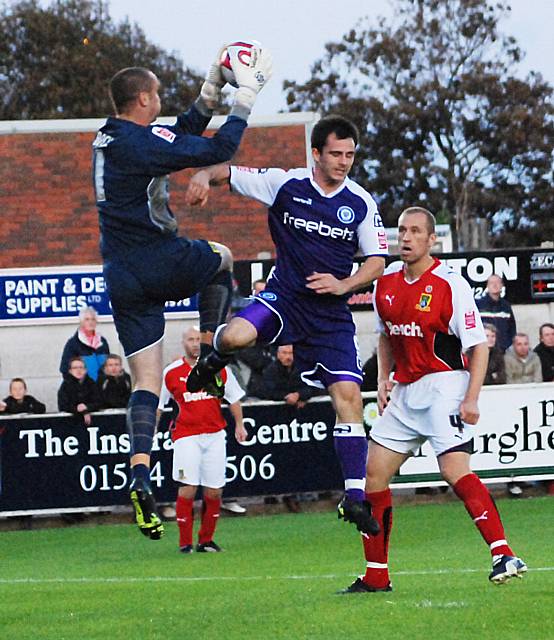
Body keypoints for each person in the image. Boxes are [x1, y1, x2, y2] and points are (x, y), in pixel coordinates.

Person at [92, 45, 272, 539]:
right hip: (153, 257)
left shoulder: (111, 137)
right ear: (146, 99)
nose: (160, 101)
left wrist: (210, 92)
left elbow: (179, 135)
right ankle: (212, 361)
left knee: (145, 382)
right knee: (222, 258)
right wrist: (246, 96)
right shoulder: (138, 144)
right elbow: (216, 150)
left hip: (121, 274)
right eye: (158, 95)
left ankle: (139, 473)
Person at [185, 115, 389, 535]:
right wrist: (204, 174)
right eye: (336, 153)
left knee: (348, 397)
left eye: (350, 154)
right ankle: (211, 359)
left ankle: (353, 498)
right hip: (285, 298)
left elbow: (377, 262)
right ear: (316, 153)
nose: (344, 162)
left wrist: (345, 283)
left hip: (330, 314)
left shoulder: (361, 202)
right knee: (238, 335)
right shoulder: (286, 184)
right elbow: (230, 173)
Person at [340, 207, 526, 594]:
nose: (405, 238)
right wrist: (383, 381)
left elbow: (478, 347)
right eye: (401, 231)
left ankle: (503, 553)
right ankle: (376, 575)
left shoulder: (449, 283)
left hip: (445, 385)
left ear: (431, 240)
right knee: (372, 474)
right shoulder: (385, 281)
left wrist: (471, 399)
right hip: (407, 391)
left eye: (415, 232)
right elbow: (386, 336)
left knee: (454, 470)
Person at [158, 327, 247, 553]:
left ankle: (206, 540)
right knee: (188, 487)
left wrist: (239, 424)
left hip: (215, 434)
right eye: (191, 339)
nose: (195, 343)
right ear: (183, 343)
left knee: (215, 490)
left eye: (198, 339)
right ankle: (184, 542)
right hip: (186, 435)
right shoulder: (171, 372)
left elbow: (233, 398)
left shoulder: (218, 369)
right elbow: (158, 405)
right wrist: (149, 431)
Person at [59, 306, 110, 381]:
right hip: (83, 389)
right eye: (87, 319)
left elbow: (108, 365)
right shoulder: (73, 343)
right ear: (81, 322)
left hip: (101, 389)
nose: (90, 322)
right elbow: (65, 369)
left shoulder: (102, 342)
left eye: (93, 319)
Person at [476, 274, 516, 353]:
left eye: (497, 282)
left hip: (503, 351)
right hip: (483, 351)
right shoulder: (478, 305)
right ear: (487, 286)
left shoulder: (506, 306)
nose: (495, 285)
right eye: (491, 283)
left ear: (502, 285)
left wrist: (508, 345)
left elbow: (512, 328)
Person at [57, 357, 103, 425]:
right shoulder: (65, 386)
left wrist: (87, 407)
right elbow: (63, 405)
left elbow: (99, 402)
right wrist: (77, 409)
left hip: (93, 424)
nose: (78, 370)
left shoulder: (92, 384)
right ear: (70, 371)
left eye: (81, 367)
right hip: (71, 423)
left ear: (85, 370)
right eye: (75, 368)